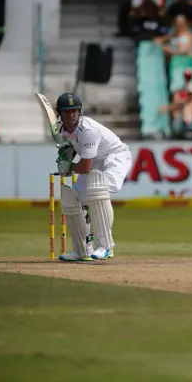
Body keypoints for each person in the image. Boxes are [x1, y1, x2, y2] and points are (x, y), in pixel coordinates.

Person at [54, 93, 132, 261]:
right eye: (67, 112)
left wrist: (68, 167)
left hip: (115, 157)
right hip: (96, 160)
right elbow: (75, 152)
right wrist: (67, 155)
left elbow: (84, 166)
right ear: (59, 113)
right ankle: (81, 249)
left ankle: (105, 246)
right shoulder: (61, 128)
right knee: (72, 199)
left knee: (98, 188)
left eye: (75, 110)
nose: (72, 115)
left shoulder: (88, 129)